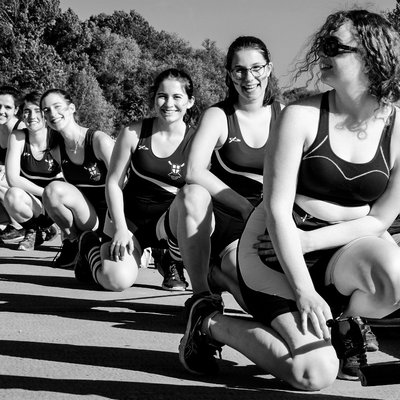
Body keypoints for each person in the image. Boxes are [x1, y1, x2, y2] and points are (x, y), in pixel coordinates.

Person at [179, 10, 400, 390]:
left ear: (371, 57)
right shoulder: (299, 116)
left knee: (395, 278)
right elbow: (277, 209)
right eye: (322, 44)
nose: (320, 53)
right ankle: (208, 325)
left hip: (337, 246)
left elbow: (381, 219)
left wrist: (311, 241)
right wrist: (304, 291)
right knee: (314, 374)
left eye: (333, 46)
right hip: (272, 250)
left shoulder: (397, 126)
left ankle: (341, 322)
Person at [76, 68, 207, 292]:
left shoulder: (198, 139)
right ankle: (89, 246)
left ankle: (171, 259)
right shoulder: (133, 132)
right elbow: (113, 183)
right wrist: (119, 227)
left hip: (167, 225)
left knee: (192, 200)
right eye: (162, 96)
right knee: (115, 281)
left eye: (177, 97)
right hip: (130, 220)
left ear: (190, 101)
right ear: (154, 99)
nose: (168, 103)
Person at [184, 36, 283, 307]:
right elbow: (193, 170)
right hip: (228, 216)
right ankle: (209, 283)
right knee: (252, 290)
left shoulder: (285, 115)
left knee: (279, 292)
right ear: (230, 74)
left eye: (256, 68)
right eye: (239, 70)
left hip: (268, 218)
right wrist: (243, 208)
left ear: (269, 69)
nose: (248, 77)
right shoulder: (218, 116)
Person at [40, 89, 114, 268]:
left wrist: (122, 228)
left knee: (112, 276)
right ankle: (74, 242)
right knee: (52, 191)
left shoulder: (98, 141)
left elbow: (124, 184)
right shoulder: (57, 150)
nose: (52, 114)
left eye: (57, 107)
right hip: (88, 217)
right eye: (46, 110)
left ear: (71, 108)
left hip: (114, 214)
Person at [4, 91, 61, 250]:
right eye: (27, 111)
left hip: (58, 202)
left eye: (37, 110)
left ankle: (71, 239)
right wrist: (45, 194)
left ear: (45, 113)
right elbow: (13, 179)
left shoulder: (57, 138)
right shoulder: (18, 136)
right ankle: (33, 230)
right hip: (34, 200)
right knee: (12, 195)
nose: (31, 116)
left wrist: (53, 197)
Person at [0, 85, 26, 243]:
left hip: (23, 184)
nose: (1, 110)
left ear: (16, 110)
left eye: (7, 107)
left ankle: (20, 225)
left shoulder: (21, 130)